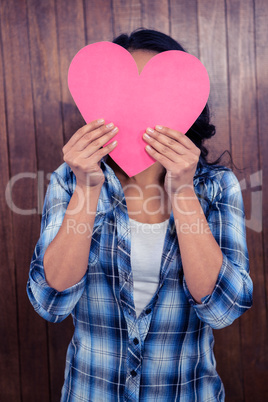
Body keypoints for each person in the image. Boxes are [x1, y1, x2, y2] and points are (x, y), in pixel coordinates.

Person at [27, 28, 253, 401]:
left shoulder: (216, 186)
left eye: (155, 96)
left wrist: (182, 191)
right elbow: (51, 302)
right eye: (124, 96)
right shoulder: (70, 181)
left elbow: (223, 309)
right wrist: (87, 189)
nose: (138, 111)